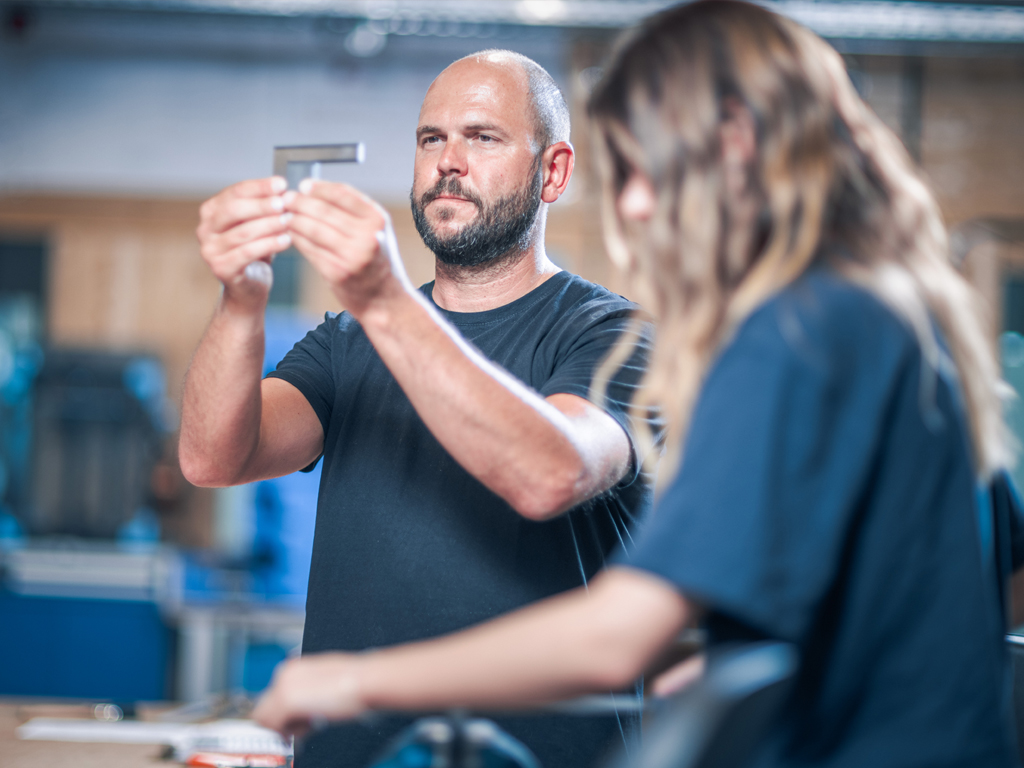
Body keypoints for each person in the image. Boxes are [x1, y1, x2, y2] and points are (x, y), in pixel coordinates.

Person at [251, 2, 1024, 766]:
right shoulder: (891, 320)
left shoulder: (791, 336)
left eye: (650, 168)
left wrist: (355, 680)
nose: (636, 204)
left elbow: (619, 634)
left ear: (738, 145)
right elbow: (997, 584)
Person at [179, 50, 653, 768]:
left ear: (553, 170)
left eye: (483, 137)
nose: (448, 163)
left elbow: (550, 472)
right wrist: (242, 297)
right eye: (432, 139)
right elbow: (214, 457)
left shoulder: (612, 336)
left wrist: (382, 299)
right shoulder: (347, 342)